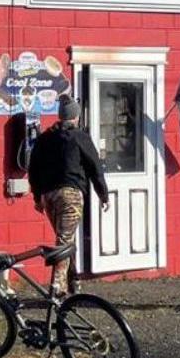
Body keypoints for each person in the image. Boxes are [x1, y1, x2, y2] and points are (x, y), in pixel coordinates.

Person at [27, 97, 109, 295]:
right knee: (64, 241)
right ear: (76, 117)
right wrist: (103, 194)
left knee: (65, 238)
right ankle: (57, 287)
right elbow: (94, 167)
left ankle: (74, 280)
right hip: (70, 194)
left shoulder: (44, 139)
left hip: (49, 195)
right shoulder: (79, 137)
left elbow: (33, 169)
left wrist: (38, 197)